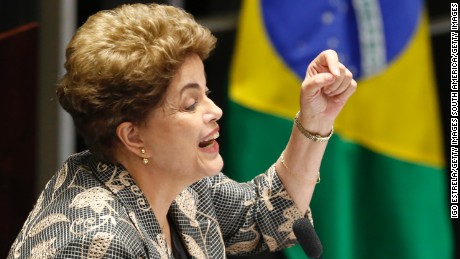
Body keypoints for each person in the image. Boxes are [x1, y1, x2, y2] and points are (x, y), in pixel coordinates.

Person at [8, 3, 356, 259]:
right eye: (190, 104)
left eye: (206, 93)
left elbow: (265, 214)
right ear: (133, 137)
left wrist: (316, 119)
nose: (215, 111)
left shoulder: (177, 183)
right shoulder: (96, 242)